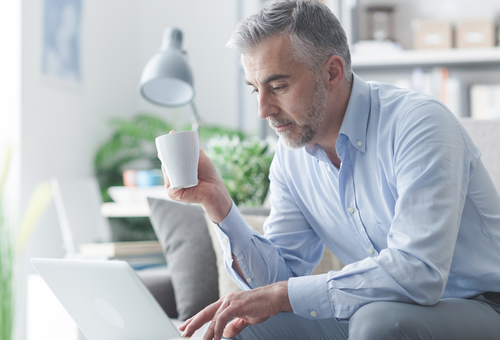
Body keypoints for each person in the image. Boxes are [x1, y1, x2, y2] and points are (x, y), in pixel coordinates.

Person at [162, 0, 500, 339]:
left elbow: (420, 272)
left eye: (278, 86)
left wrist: (283, 296)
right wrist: (219, 205)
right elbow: (278, 279)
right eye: (255, 90)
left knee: (379, 324)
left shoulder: (419, 125)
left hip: (480, 306)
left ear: (333, 72)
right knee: (229, 328)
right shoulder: (291, 155)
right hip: (373, 310)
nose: (262, 110)